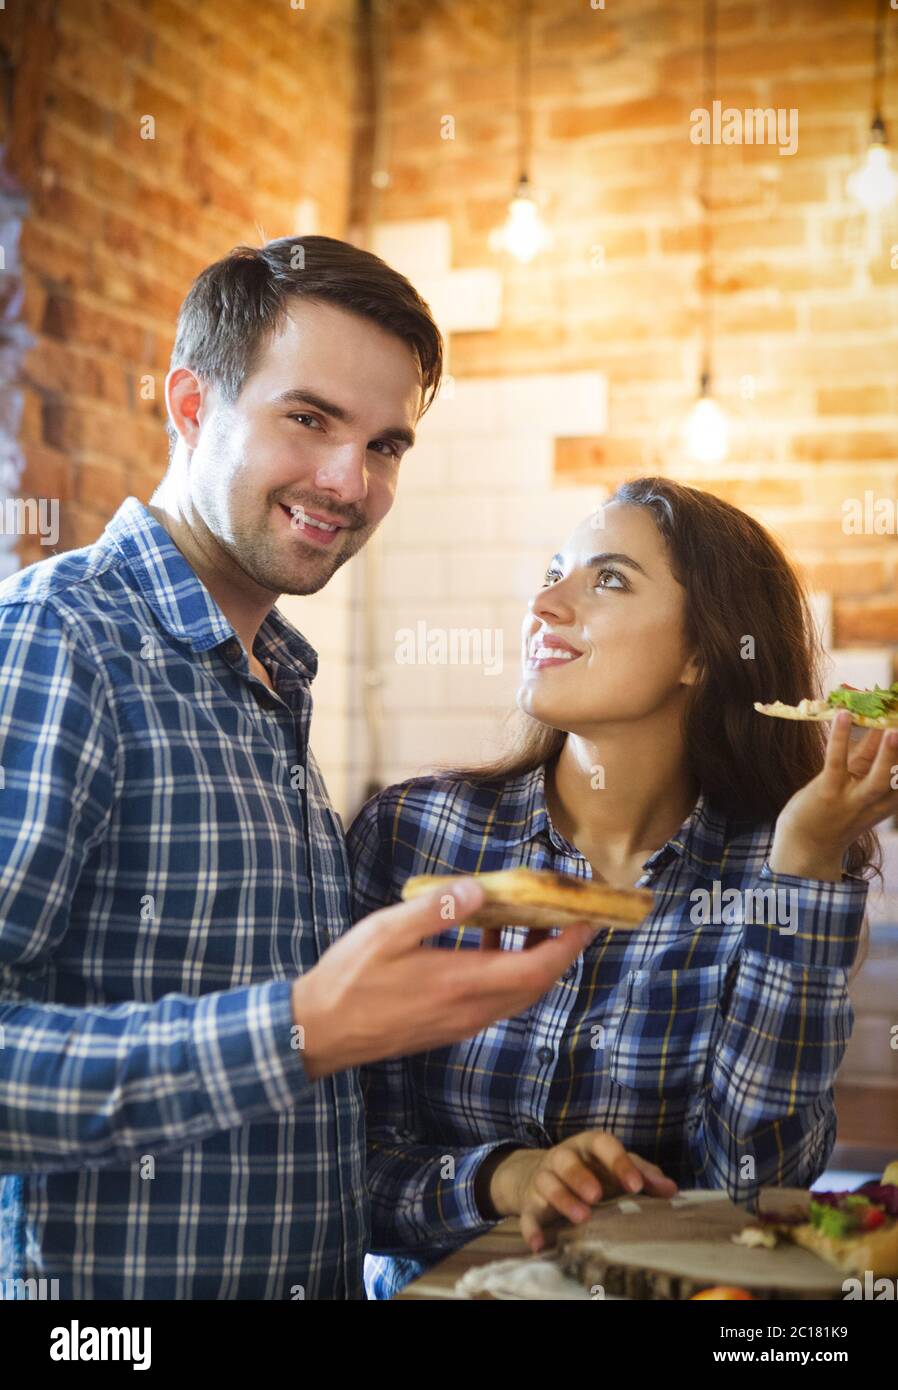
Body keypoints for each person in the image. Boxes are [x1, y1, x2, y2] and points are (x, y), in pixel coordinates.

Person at [0, 236, 594, 1300]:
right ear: (190, 403)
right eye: (309, 419)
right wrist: (301, 1028)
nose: (347, 482)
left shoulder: (268, 676)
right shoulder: (57, 641)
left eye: (386, 445)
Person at [347, 476, 892, 1300]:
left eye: (607, 579)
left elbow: (755, 1192)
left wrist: (808, 864)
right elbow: (335, 1166)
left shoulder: (774, 872)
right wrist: (506, 1178)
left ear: (704, 653)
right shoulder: (412, 835)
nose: (547, 602)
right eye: (554, 571)